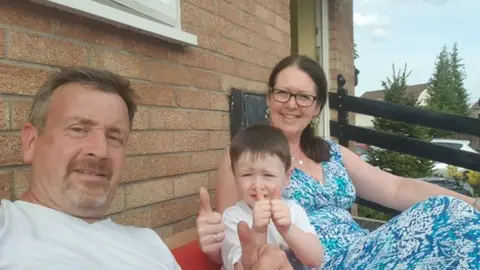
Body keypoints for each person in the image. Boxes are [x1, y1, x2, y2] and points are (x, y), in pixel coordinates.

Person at [196, 55, 480, 269]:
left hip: (363, 251)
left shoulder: (331, 153)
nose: (292, 104)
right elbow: (236, 239)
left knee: (454, 217)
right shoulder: (244, 158)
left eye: (304, 97)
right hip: (316, 262)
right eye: (282, 92)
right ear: (270, 98)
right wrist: (212, 244)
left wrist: (474, 204)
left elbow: (396, 188)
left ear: (318, 106)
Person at [0, 66, 293, 270]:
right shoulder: (8, 226)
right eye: (78, 129)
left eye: (114, 137)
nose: (99, 150)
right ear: (31, 142)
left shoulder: (146, 242)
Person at [221, 124, 323, 270]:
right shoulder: (233, 217)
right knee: (270, 256)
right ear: (234, 175)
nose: (257, 185)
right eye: (247, 175)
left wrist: (287, 229)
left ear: (287, 176)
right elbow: (242, 267)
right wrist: (258, 231)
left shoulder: (293, 211)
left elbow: (315, 259)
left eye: (268, 175)